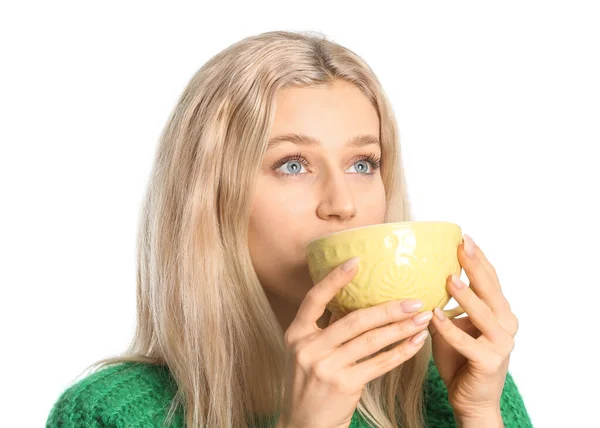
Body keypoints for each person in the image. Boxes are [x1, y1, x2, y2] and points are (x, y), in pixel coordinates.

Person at [45, 30, 532, 428]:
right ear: (210, 198)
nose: (342, 204)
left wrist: (479, 413)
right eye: (293, 165)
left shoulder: (453, 383)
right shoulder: (106, 415)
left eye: (363, 164)